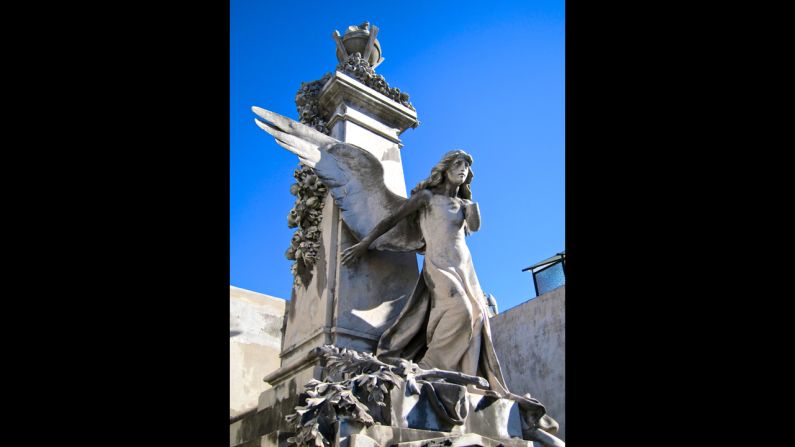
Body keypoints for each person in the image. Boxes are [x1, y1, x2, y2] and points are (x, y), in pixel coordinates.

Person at [341, 150, 560, 440]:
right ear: (444, 169)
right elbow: (392, 219)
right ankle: (427, 368)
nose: (463, 169)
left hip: (465, 266)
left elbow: (475, 228)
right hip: (439, 265)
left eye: (467, 166)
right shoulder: (427, 199)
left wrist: (471, 206)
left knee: (479, 317)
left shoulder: (463, 203)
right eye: (458, 163)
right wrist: (366, 243)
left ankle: (462, 380)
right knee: (462, 312)